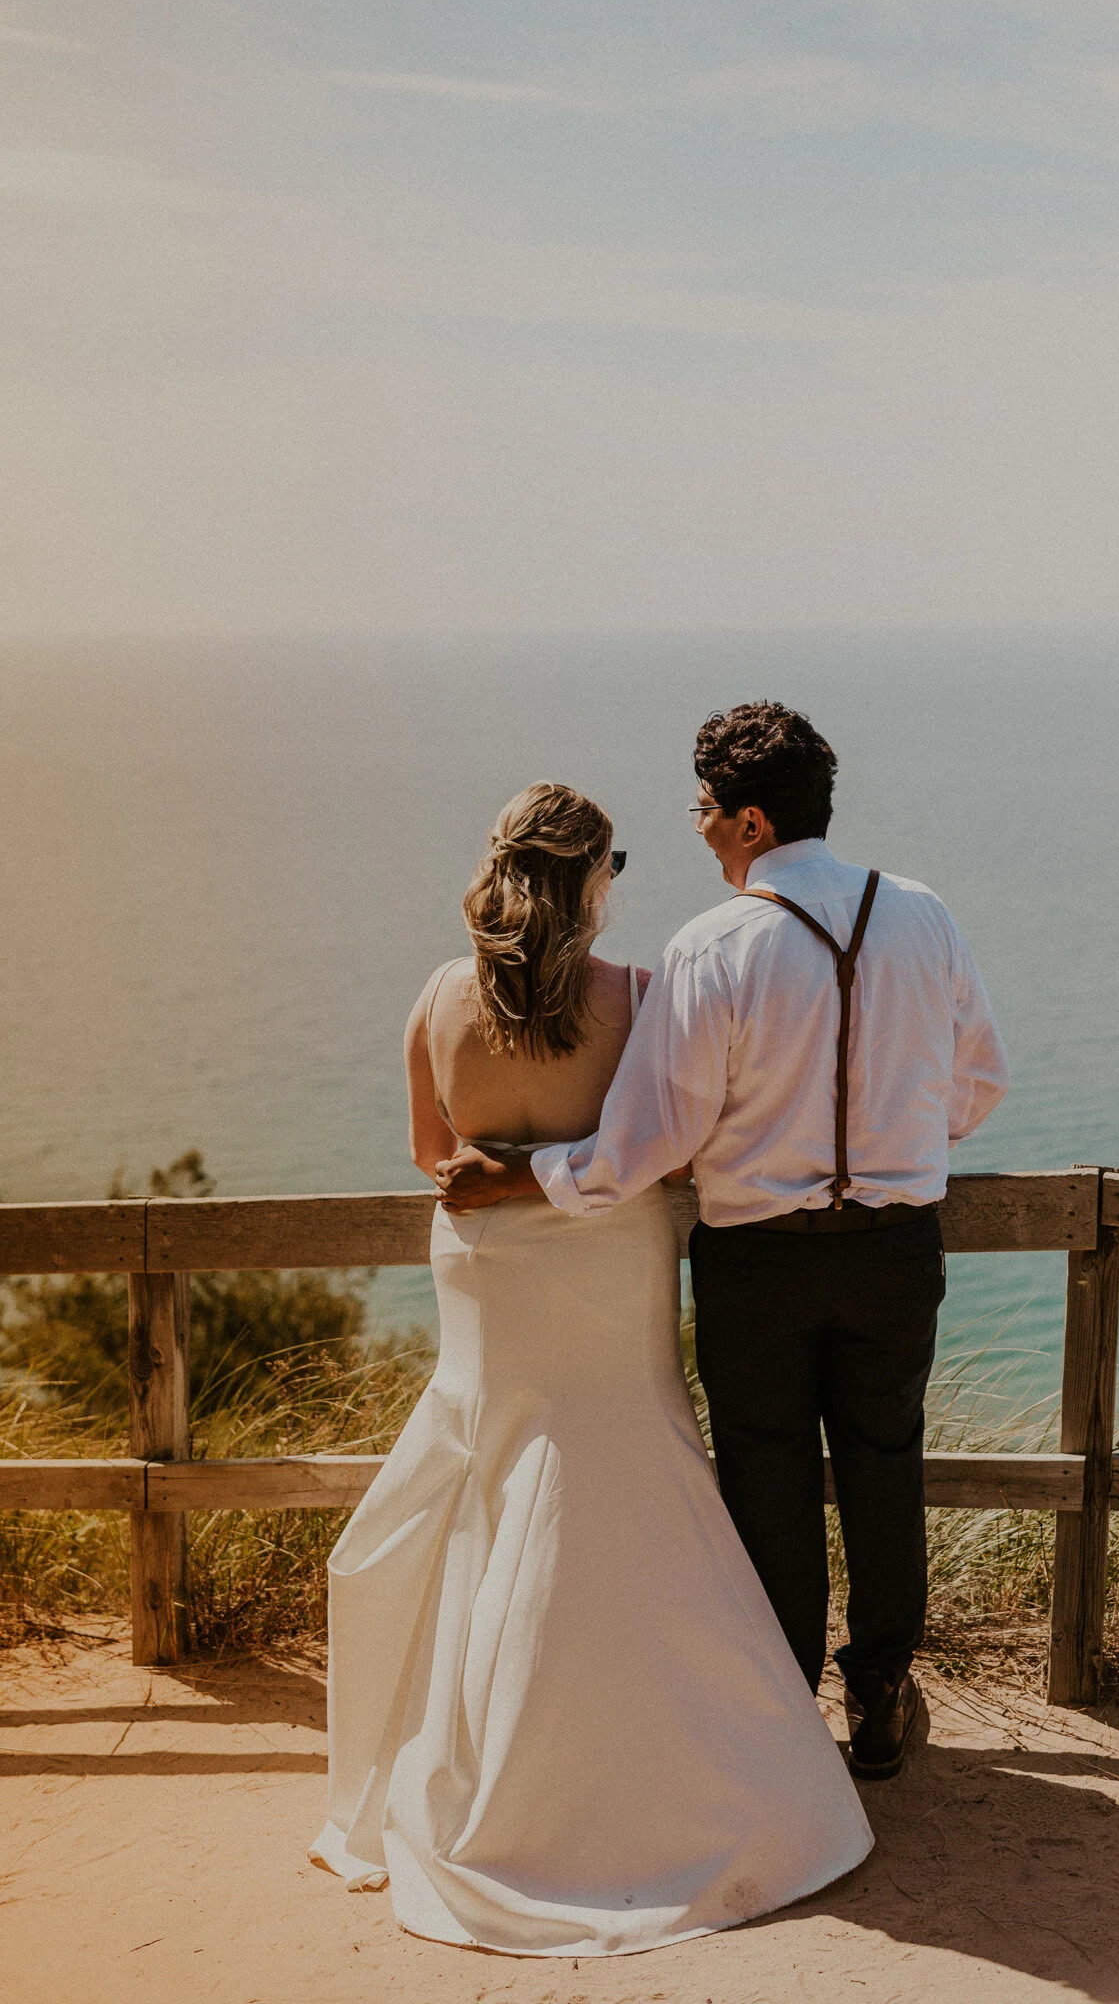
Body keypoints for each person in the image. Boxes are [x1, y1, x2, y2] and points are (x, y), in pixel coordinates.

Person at [310, 780, 872, 1957]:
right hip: (608, 1263)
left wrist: (497, 1162)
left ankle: (468, 1758)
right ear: (587, 880)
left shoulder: (435, 996)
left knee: (493, 1471)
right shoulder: (637, 995)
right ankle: (649, 1762)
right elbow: (669, 1138)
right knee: (619, 1464)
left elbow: (430, 1150)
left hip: (486, 1276)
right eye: (612, 858)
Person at [438, 706, 1009, 1783]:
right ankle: (881, 1689)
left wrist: (523, 1172)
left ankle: (780, 1705)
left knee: (768, 1476)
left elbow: (650, 1141)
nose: (698, 829)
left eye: (703, 810)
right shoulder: (925, 914)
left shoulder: (710, 945)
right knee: (887, 1461)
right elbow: (978, 1081)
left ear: (749, 818)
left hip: (760, 1259)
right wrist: (887, 1147)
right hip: (895, 1249)